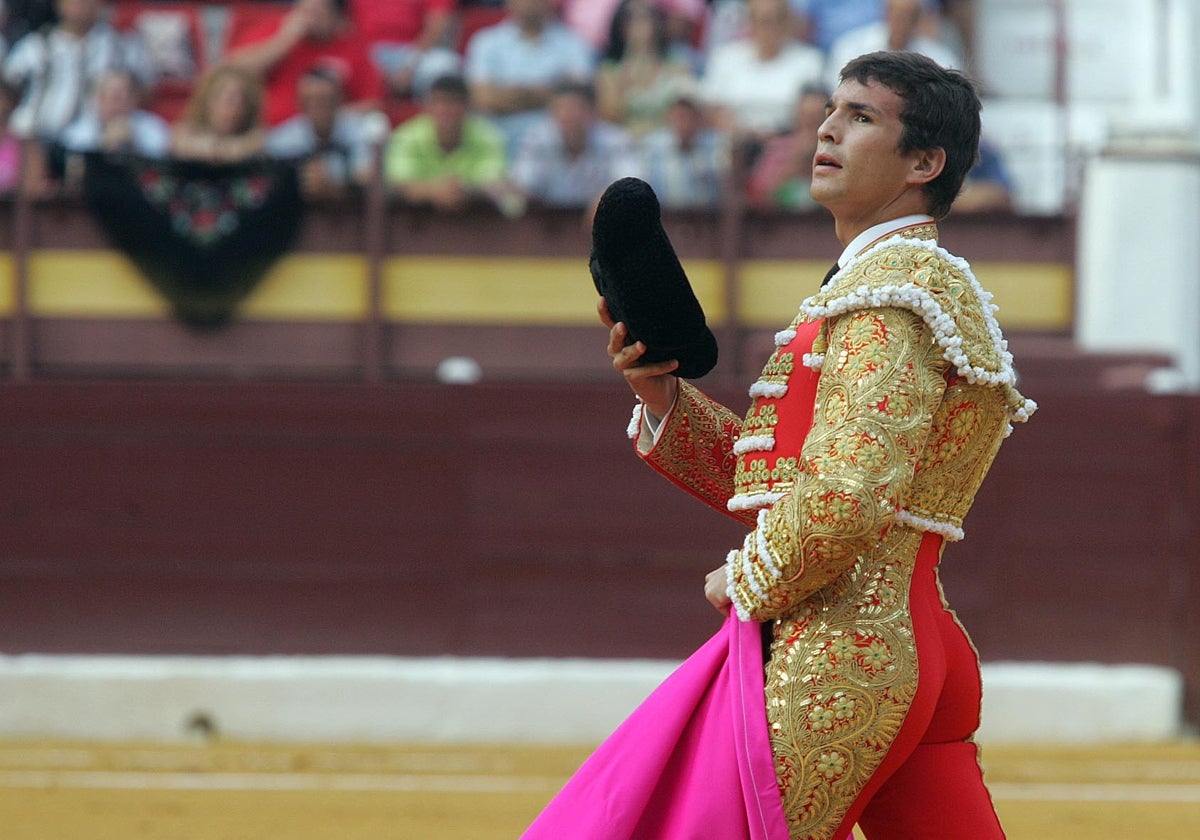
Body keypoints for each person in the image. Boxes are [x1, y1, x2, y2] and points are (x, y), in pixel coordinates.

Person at [524, 50, 1035, 839]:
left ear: (924, 162)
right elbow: (801, 482)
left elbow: (846, 496)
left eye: (861, 117)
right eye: (832, 110)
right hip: (909, 639)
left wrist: (749, 579)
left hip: (839, 652)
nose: (825, 129)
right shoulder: (901, 285)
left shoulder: (889, 297)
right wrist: (663, 399)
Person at [1, 0, 154, 141]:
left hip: (97, 144)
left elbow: (145, 90)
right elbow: (7, 88)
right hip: (37, 139)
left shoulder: (122, 46)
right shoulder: (36, 45)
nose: (79, 3)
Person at [462, 0, 595, 155]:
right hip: (496, 138)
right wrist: (550, 92)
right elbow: (482, 98)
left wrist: (508, 94)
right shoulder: (485, 42)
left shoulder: (575, 43)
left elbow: (577, 99)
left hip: (555, 144)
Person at [224, 0, 384, 127]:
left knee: (375, 124)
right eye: (305, 10)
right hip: (271, 132)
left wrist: (328, 117)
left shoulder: (351, 46)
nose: (309, 17)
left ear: (337, 17)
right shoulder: (277, 29)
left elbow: (372, 103)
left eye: (318, 11)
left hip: (329, 135)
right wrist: (284, 40)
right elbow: (232, 72)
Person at [384, 72, 514, 213]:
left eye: (454, 103)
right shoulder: (407, 137)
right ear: (427, 106)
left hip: (476, 223)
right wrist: (435, 191)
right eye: (439, 102)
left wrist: (456, 191)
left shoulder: (488, 137)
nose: (446, 110)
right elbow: (398, 182)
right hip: (417, 222)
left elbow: (495, 182)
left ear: (468, 107)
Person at [700, 0, 823, 142]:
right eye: (763, 21)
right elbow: (712, 110)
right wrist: (743, 134)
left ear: (787, 22)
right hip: (734, 145)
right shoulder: (725, 58)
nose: (770, 28)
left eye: (777, 20)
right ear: (750, 22)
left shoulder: (810, 62)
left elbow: (813, 115)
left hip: (788, 146)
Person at [508, 79, 640, 208]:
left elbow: (634, 184)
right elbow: (521, 185)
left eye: (575, 109)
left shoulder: (615, 140)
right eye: (561, 109)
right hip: (549, 221)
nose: (568, 115)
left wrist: (606, 199)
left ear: (593, 112)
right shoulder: (537, 140)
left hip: (605, 221)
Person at [266, 63, 375, 199]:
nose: (318, 108)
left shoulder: (360, 130)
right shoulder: (282, 141)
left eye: (325, 100)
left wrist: (332, 179)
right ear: (299, 103)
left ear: (340, 100)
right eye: (310, 101)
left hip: (353, 209)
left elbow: (367, 176)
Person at [595, 0, 697, 139]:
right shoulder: (609, 71)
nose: (642, 25)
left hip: (667, 144)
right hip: (624, 145)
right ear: (622, 27)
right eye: (633, 19)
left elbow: (687, 112)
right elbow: (610, 116)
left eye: (647, 17)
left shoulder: (678, 66)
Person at [824, 0, 960, 90]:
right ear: (886, 13)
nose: (902, 23)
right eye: (898, 15)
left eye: (909, 17)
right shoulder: (851, 46)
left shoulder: (939, 56)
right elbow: (838, 89)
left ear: (917, 20)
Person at [637, 79, 726, 208]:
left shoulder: (716, 146)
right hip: (662, 218)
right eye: (680, 114)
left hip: (704, 221)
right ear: (670, 115)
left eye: (690, 114)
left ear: (700, 117)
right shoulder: (652, 146)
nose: (685, 121)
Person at [348, 0, 461, 100]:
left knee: (443, 64)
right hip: (368, 49)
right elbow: (343, 22)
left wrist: (410, 64)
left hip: (415, 49)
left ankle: (433, 118)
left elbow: (438, 24)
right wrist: (368, 64)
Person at [746, 82, 827, 210]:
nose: (812, 123)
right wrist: (797, 162)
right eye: (808, 116)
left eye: (818, 117)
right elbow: (760, 195)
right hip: (778, 224)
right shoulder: (777, 148)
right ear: (797, 115)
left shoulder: (838, 151)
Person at [60, 70, 171, 158]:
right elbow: (74, 154)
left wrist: (132, 142)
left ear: (134, 100)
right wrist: (104, 144)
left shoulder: (152, 126)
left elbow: (160, 156)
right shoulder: (81, 129)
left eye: (126, 97)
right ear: (99, 99)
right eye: (115, 97)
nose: (120, 103)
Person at [170, 64, 266, 164]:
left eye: (243, 102)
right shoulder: (184, 132)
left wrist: (223, 150)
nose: (236, 109)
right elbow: (180, 143)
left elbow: (250, 145)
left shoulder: (255, 138)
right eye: (229, 100)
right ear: (209, 101)